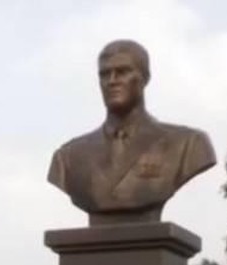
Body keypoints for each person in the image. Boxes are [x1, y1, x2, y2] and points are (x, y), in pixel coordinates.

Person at [47, 39, 216, 221]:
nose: (112, 81)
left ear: (145, 78)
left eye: (122, 72)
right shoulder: (68, 158)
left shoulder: (187, 145)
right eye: (105, 74)